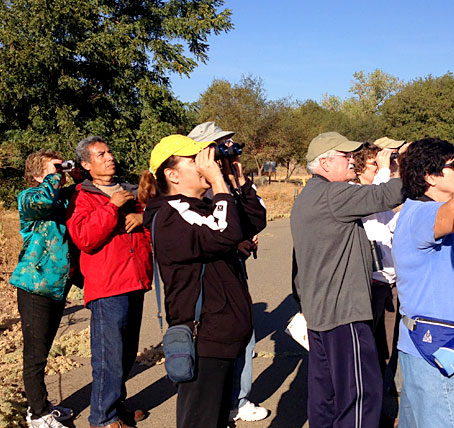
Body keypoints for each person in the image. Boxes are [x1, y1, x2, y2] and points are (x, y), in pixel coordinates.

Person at [140, 134, 265, 428]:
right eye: (193, 159)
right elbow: (225, 232)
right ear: (171, 174)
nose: (203, 163)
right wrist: (218, 183)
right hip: (204, 339)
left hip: (224, 334)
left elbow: (254, 220)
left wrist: (236, 177)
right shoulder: (170, 214)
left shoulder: (201, 207)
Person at [290, 131, 404, 428]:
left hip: (320, 314)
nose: (352, 161)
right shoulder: (333, 194)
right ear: (325, 163)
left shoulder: (308, 196)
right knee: (360, 396)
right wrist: (418, 169)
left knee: (325, 398)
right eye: (346, 156)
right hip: (344, 316)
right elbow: (383, 196)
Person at [392, 138, 454, 428]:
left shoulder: (441, 218)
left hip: (438, 350)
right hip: (443, 355)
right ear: (430, 177)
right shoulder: (421, 215)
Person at [67, 136, 152, 428]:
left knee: (127, 352)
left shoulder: (130, 191)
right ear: (86, 164)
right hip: (107, 285)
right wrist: (112, 206)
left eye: (109, 151)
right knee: (109, 356)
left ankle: (116, 406)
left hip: (135, 279)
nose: (109, 157)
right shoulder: (82, 197)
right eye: (100, 154)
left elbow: (152, 227)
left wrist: (144, 220)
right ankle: (102, 418)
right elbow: (85, 238)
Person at [187, 121, 269, 422]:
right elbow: (214, 233)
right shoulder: (195, 189)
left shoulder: (227, 181)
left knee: (245, 332)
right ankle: (226, 401)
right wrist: (236, 240)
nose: (227, 150)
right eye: (220, 146)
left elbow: (256, 219)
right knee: (214, 350)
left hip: (233, 273)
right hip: (209, 284)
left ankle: (239, 399)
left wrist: (239, 179)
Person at [10, 150, 75, 428]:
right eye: (55, 168)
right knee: (35, 354)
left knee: (45, 350)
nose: (61, 172)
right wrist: (56, 177)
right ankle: (37, 413)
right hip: (34, 285)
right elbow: (45, 199)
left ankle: (44, 405)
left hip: (57, 286)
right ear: (38, 175)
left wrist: (78, 176)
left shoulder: (60, 196)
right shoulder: (29, 197)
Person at [352, 143, 400, 386]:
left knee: (387, 348)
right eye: (374, 164)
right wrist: (385, 172)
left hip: (390, 280)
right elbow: (378, 200)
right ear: (358, 168)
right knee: (366, 348)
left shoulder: (380, 192)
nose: (381, 168)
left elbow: (393, 225)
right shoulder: (353, 193)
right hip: (369, 282)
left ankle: (381, 397)